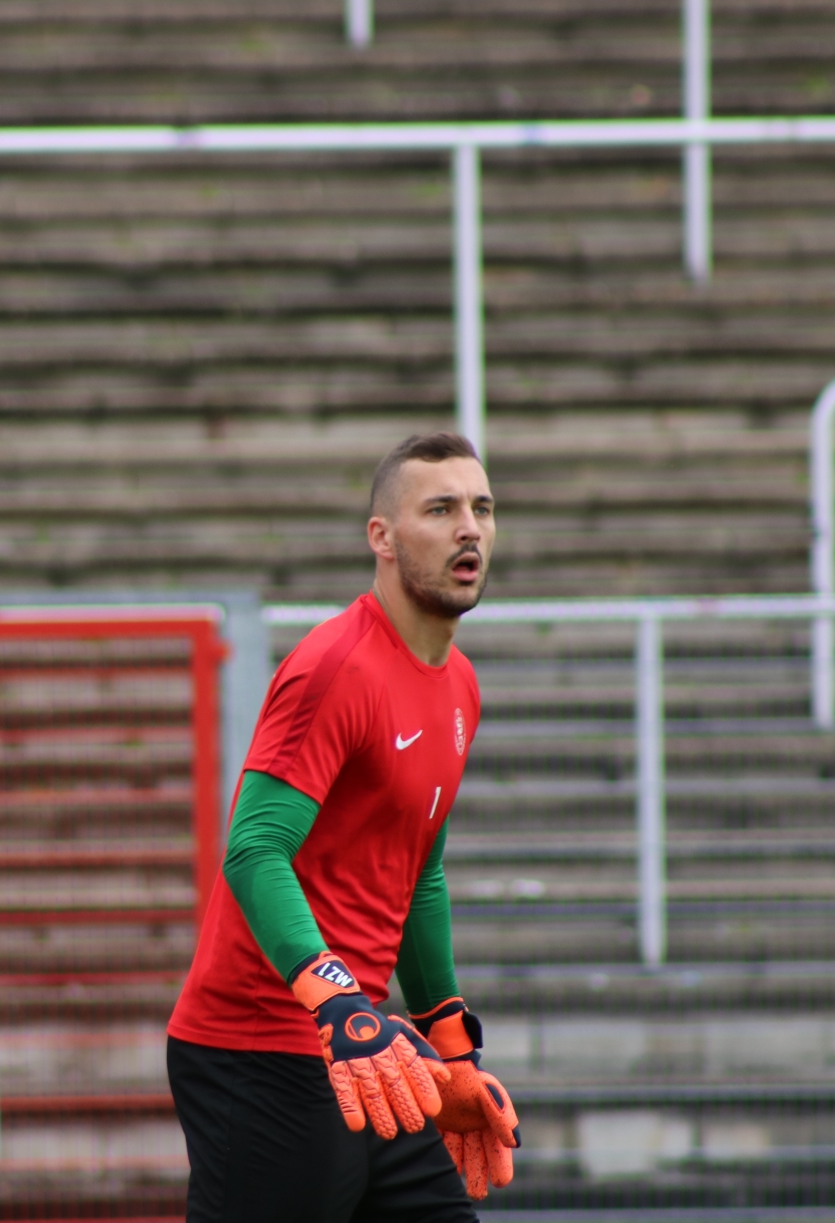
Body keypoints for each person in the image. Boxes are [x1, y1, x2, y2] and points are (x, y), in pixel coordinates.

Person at [167, 432, 521, 1223]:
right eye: (441, 509)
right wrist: (336, 1004)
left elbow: (419, 871)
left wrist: (451, 1045)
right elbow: (254, 850)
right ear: (382, 538)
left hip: (369, 1053)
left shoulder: (461, 686)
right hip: (261, 1052)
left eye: (482, 507)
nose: (470, 528)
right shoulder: (337, 668)